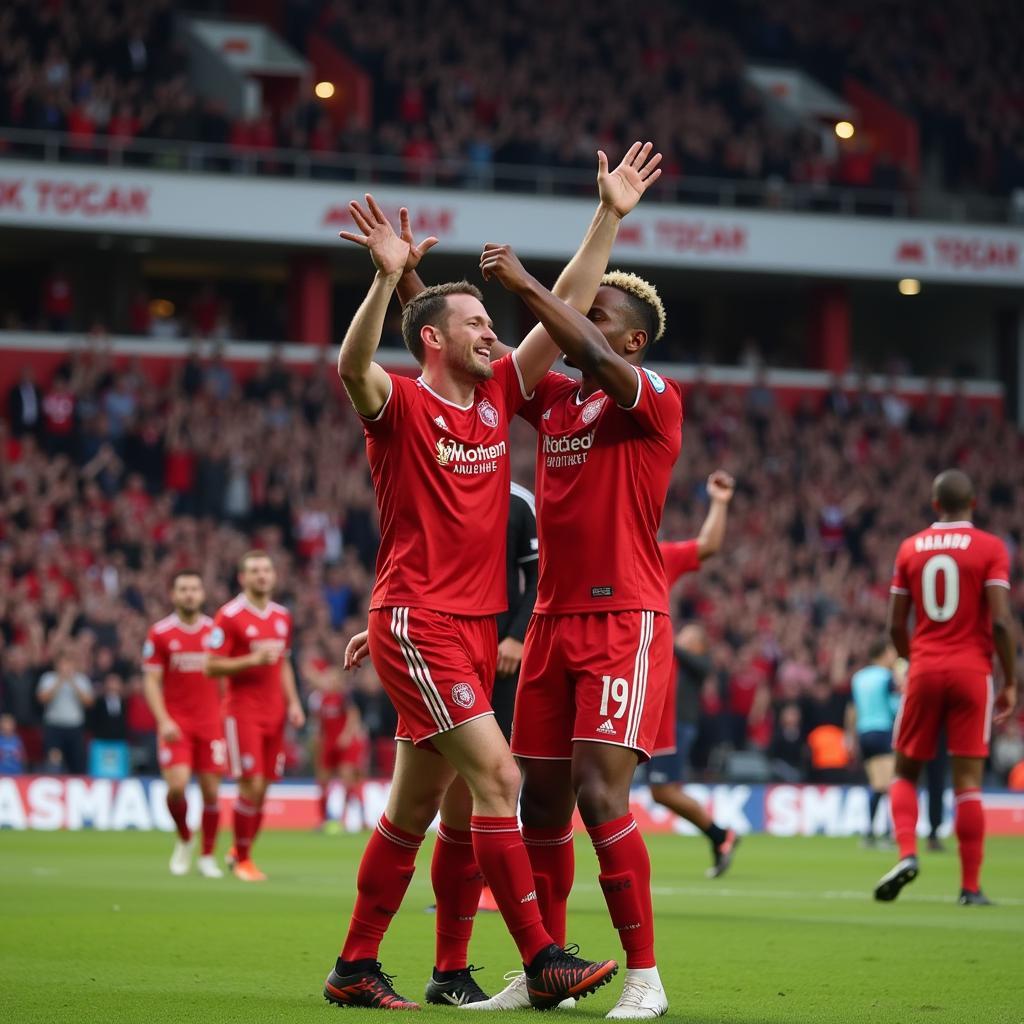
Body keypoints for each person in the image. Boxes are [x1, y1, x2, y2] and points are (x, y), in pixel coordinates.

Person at [324, 143, 658, 1011]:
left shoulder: (501, 396)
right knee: (503, 783)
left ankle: (358, 966)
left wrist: (610, 215)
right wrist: (384, 281)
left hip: (471, 630)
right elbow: (353, 368)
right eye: (476, 324)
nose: (493, 333)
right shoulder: (401, 404)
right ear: (435, 340)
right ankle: (543, 955)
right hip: (422, 622)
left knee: (421, 814)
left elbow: (570, 309)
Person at [467, 243, 680, 1018]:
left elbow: (578, 341)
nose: (579, 326)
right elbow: (486, 371)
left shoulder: (653, 395)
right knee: (542, 805)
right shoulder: (557, 401)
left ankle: (645, 976)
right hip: (553, 622)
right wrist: (413, 289)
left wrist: (526, 284)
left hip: (624, 619)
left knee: (599, 796)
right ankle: (545, 970)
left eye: (598, 316)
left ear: (631, 340)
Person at [874, 469, 1017, 905]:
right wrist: (1010, 680)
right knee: (968, 782)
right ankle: (970, 887)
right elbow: (999, 621)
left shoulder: (910, 547)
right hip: (973, 671)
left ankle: (907, 852)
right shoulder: (991, 547)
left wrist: (909, 660)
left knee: (904, 771)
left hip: (926, 667)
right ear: (973, 504)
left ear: (935, 506)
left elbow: (895, 623)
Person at [646, 472, 742, 880]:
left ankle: (720, 833)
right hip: (616, 685)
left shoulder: (658, 557)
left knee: (661, 790)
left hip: (656, 700)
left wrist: (719, 501)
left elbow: (709, 546)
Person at [206, 551, 306, 882]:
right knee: (250, 783)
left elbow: (284, 663)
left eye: (266, 569)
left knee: (263, 788)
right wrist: (251, 660)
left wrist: (293, 703)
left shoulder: (282, 616)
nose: (262, 575)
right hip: (242, 711)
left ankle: (239, 850)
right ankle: (243, 858)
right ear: (242, 578)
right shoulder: (229, 615)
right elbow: (211, 665)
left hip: (275, 711)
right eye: (254, 571)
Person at [142, 570, 225, 879]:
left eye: (194, 589)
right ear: (173, 595)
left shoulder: (215, 632)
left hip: (211, 724)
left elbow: (226, 678)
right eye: (183, 589)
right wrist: (163, 720)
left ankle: (206, 856)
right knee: (176, 789)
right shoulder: (160, 633)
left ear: (202, 594)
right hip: (176, 724)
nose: (189, 594)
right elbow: (151, 681)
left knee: (211, 793)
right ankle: (185, 839)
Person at [846, 640, 903, 848]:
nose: (894, 657)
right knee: (889, 785)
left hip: (864, 733)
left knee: (877, 784)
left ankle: (870, 832)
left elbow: (852, 709)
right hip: (883, 731)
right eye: (892, 653)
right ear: (884, 654)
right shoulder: (886, 677)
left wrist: (850, 736)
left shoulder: (858, 678)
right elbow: (894, 706)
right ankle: (887, 834)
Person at [307, 661, 369, 832]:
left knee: (348, 779)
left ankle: (344, 818)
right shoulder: (320, 699)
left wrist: (347, 735)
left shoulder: (344, 698)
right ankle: (322, 820)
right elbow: (318, 723)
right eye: (328, 678)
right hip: (328, 744)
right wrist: (318, 739)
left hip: (345, 745)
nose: (331, 682)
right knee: (323, 782)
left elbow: (353, 716)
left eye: (333, 678)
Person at [37, 651, 94, 775]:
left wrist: (73, 683)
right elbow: (42, 699)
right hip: (54, 725)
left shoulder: (81, 679)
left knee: (77, 762)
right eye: (63, 664)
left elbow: (89, 702)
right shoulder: (48, 678)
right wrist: (59, 681)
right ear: (57, 665)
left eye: (69, 664)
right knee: (54, 761)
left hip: (75, 727)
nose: (66, 667)